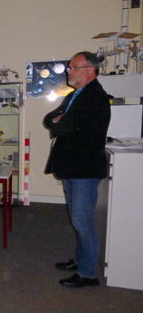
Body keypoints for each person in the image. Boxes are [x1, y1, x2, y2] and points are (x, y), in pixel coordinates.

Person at [43, 51, 111, 288]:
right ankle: (81, 259)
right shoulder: (75, 94)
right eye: (69, 67)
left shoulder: (94, 96)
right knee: (77, 218)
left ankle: (88, 273)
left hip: (84, 167)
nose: (69, 71)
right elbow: (49, 119)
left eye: (73, 67)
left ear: (90, 70)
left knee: (82, 221)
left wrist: (61, 122)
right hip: (73, 166)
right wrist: (59, 121)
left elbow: (66, 125)